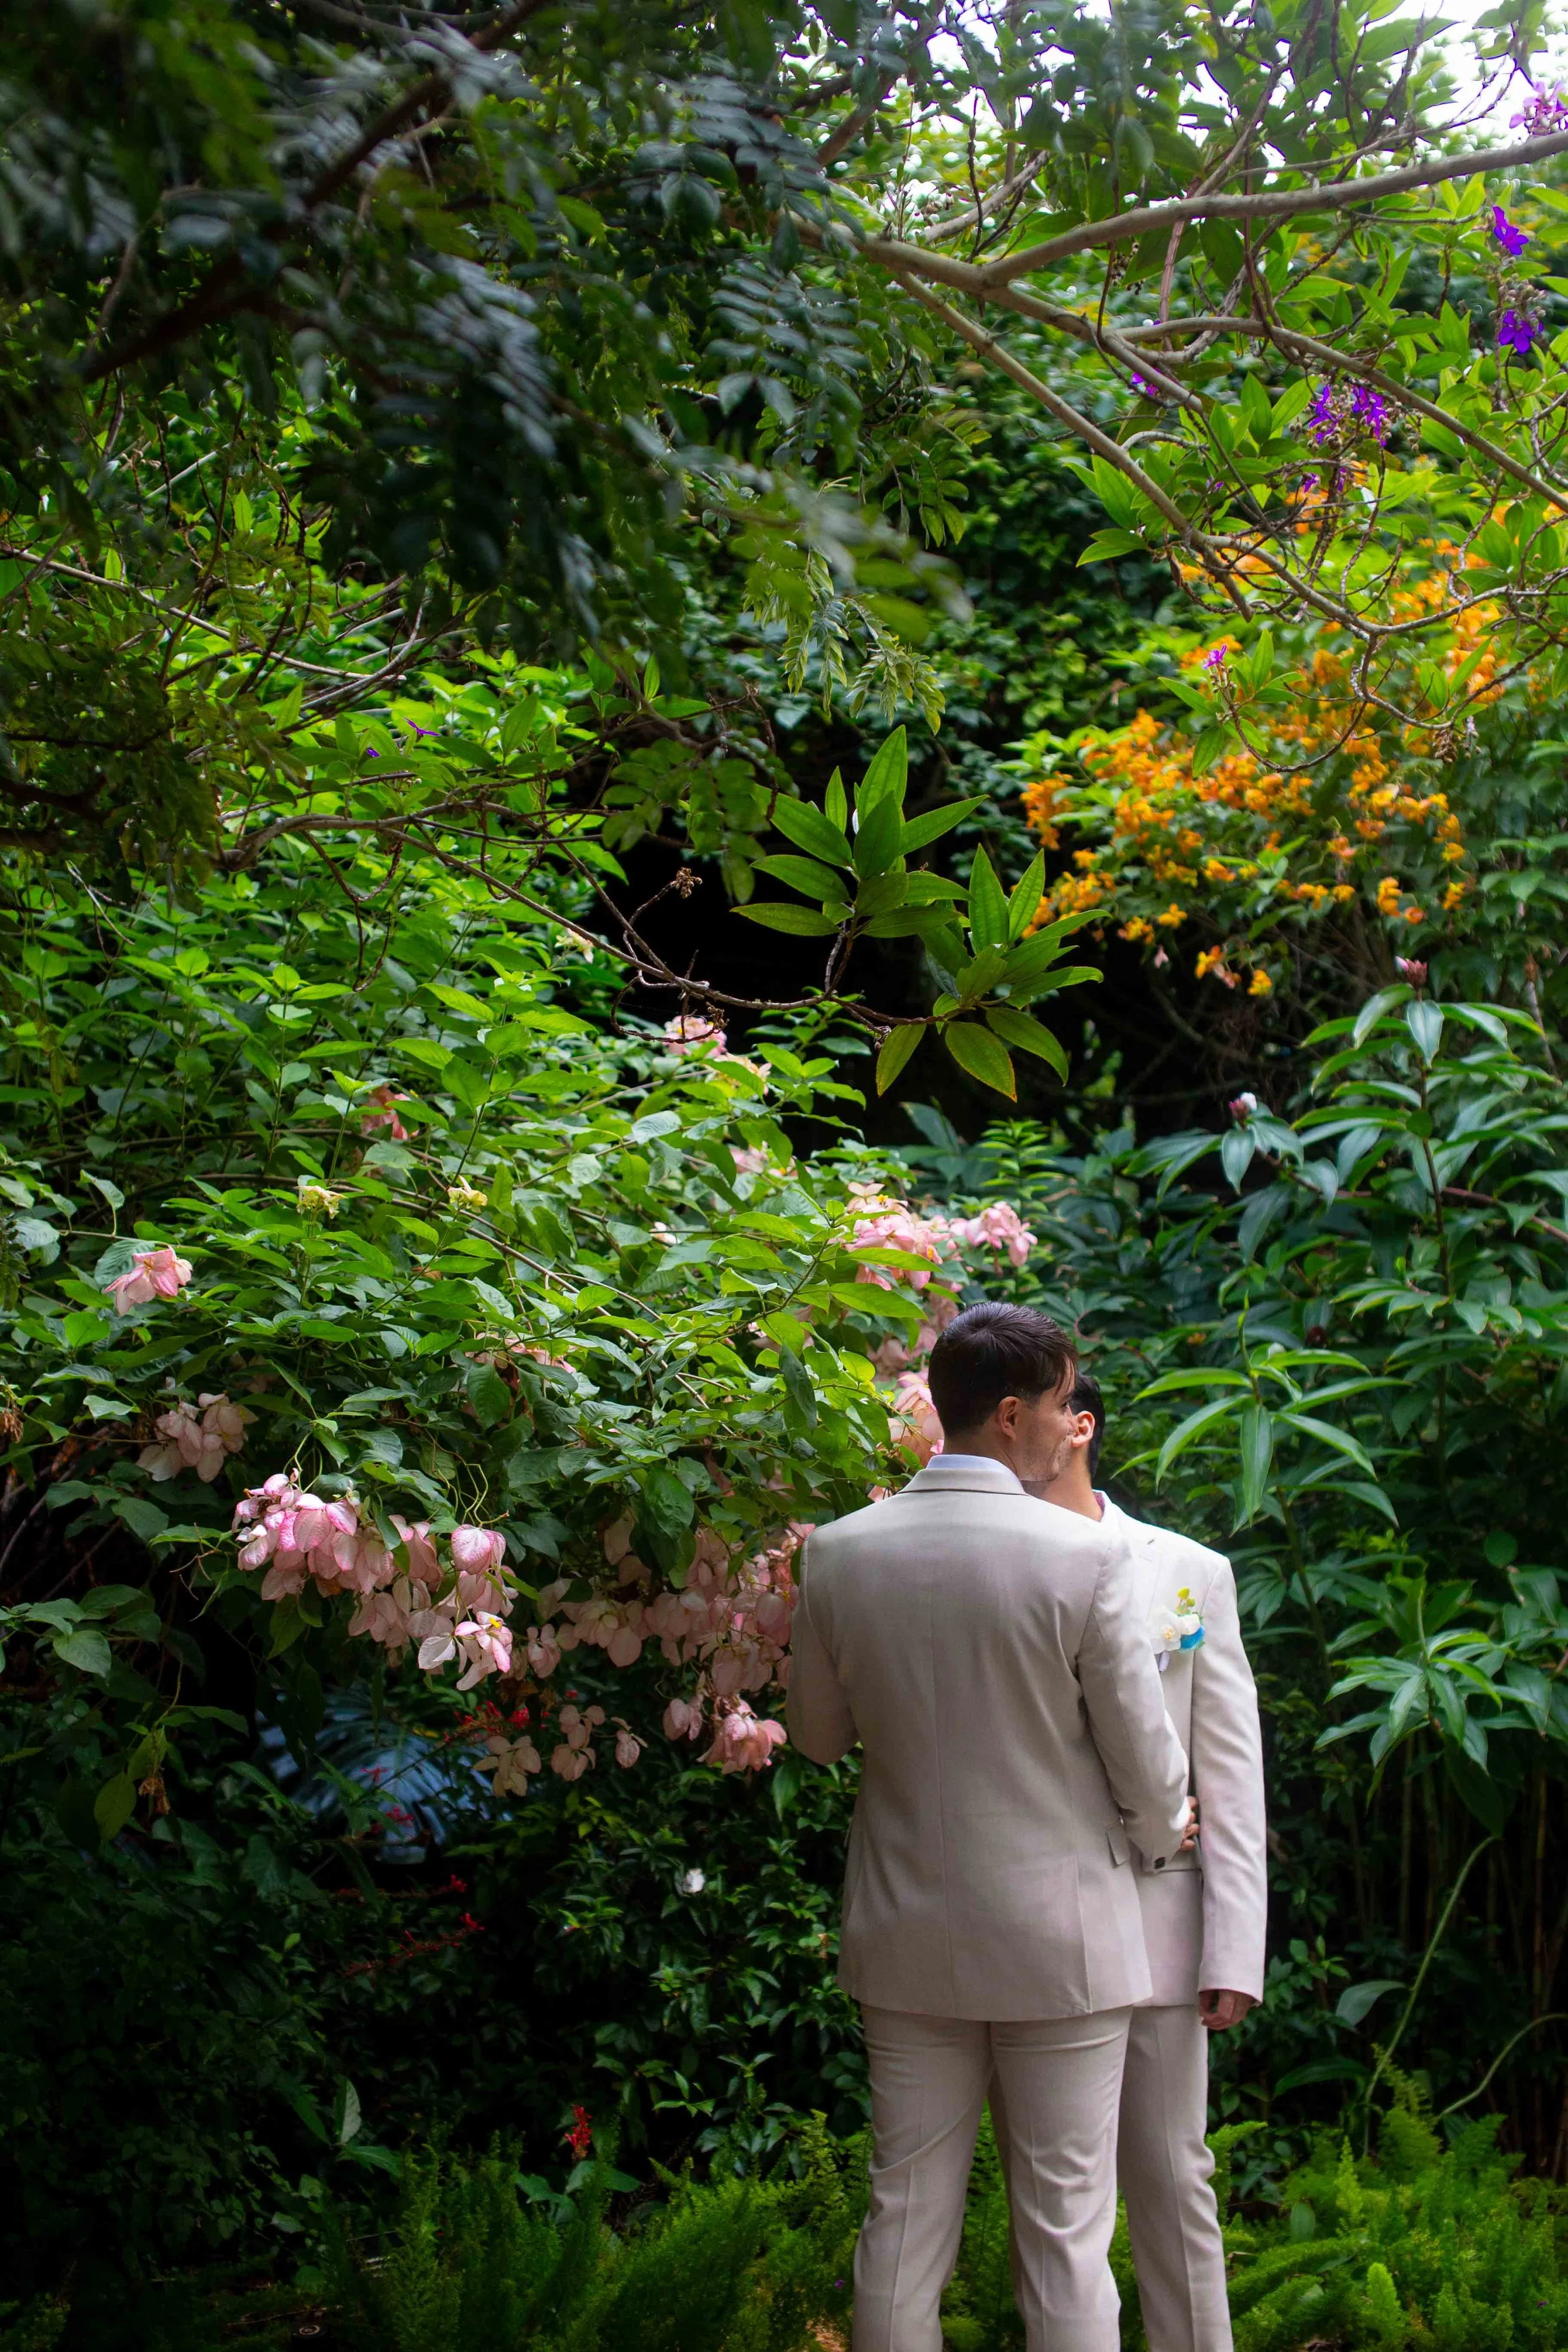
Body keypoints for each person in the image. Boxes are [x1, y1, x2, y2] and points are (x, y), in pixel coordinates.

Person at [787, 1303, 1195, 2352]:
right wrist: (1163, 1831)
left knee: (904, 2215)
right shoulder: (1082, 1558)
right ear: (1012, 1414)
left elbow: (819, 1740)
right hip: (1065, 1942)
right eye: (1066, 1403)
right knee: (1065, 2232)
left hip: (905, 1928)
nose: (1075, 1425)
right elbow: (1146, 1765)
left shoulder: (836, 1553)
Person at [1025, 1369, 1266, 2352]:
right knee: (1056, 2195)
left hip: (1165, 1922)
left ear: (1079, 1427)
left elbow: (1232, 1767)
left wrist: (1234, 1948)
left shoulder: (1189, 1570)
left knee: (1175, 2176)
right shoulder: (1003, 1570)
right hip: (1042, 1924)